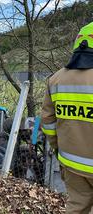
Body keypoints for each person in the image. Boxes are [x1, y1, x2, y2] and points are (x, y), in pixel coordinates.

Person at [41, 22, 93, 214]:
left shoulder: (55, 80)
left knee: (76, 208)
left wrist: (59, 152)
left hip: (71, 165)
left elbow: (48, 124)